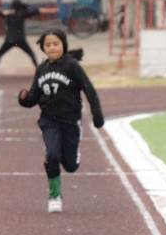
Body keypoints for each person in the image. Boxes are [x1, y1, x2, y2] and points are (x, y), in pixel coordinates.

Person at [18, 28, 104, 213]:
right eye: (48, 45)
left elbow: (89, 89)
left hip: (70, 121)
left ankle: (73, 156)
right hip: (49, 120)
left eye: (56, 44)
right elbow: (34, 97)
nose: (52, 48)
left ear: (63, 45)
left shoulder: (72, 66)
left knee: (71, 166)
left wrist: (97, 115)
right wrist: (24, 99)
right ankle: (55, 195)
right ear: (43, 48)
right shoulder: (41, 69)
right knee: (52, 155)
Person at [0, 0, 40, 78]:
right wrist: (25, 6)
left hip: (10, 39)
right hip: (20, 39)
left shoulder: (8, 13)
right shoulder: (22, 13)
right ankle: (38, 71)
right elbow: (35, 10)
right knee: (31, 54)